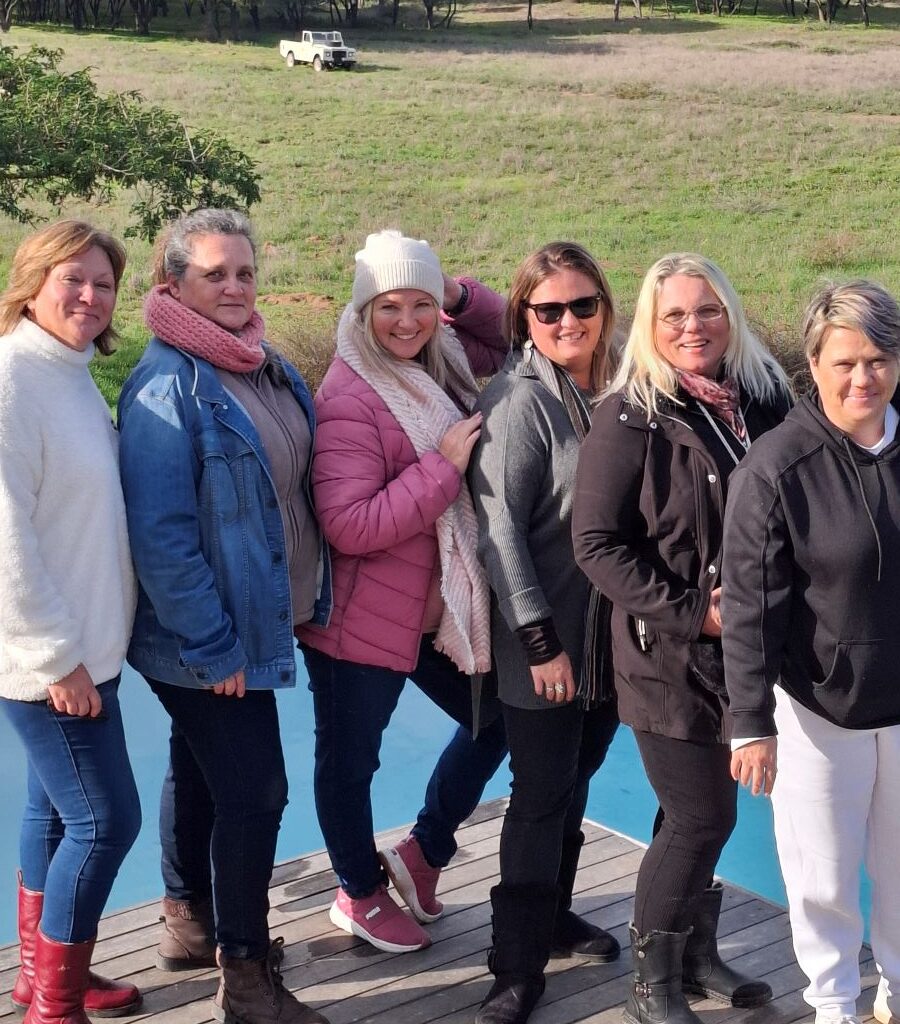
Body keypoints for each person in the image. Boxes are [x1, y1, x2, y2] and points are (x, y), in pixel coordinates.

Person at [118, 209, 331, 1024]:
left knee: (200, 763)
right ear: (173, 285)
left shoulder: (259, 363)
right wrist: (214, 644)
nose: (236, 287)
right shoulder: (168, 386)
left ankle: (187, 917)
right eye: (215, 274)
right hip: (206, 635)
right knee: (257, 793)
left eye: (244, 272)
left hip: (247, 621)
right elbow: (162, 537)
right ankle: (244, 976)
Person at [572, 253, 792, 1024]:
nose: (692, 327)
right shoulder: (627, 416)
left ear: (729, 314)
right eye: (674, 315)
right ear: (650, 325)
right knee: (702, 817)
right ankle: (651, 986)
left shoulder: (764, 400)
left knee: (692, 814)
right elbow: (595, 544)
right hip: (663, 654)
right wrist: (693, 611)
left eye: (707, 311)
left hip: (745, 652)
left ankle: (697, 957)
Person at [295, 229, 509, 955]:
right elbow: (349, 525)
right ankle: (357, 892)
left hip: (430, 615)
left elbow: (512, 335)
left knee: (497, 720)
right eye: (390, 305)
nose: (408, 321)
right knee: (349, 764)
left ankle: (422, 853)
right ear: (363, 311)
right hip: (359, 622)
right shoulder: (350, 397)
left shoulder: (439, 362)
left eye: (422, 304)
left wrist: (457, 293)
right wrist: (443, 469)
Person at [722, 281, 900, 1024]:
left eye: (879, 359)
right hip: (819, 710)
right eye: (845, 362)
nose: (864, 378)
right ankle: (834, 1004)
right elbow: (750, 605)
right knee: (823, 878)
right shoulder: (774, 467)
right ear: (815, 364)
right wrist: (749, 722)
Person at [469, 242, 622, 1024]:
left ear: (605, 307)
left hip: (613, 645)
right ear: (523, 316)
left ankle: (556, 917)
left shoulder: (625, 385)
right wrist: (538, 641)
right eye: (549, 308)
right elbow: (498, 534)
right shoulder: (517, 402)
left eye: (582, 305)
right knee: (537, 798)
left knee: (576, 783)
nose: (568, 321)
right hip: (546, 646)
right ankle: (514, 967)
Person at [0, 221, 142, 1024]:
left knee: (52, 812)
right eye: (73, 279)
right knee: (106, 821)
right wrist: (57, 657)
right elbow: (5, 539)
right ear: (33, 283)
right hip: (50, 659)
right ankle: (54, 1009)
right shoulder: (12, 379)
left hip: (85, 646)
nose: (90, 296)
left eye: (104, 283)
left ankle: (41, 976)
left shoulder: (67, 371)